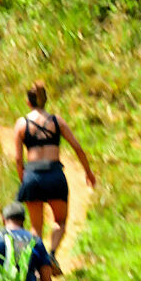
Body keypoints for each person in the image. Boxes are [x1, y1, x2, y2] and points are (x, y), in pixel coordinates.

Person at [8, 81, 98, 256]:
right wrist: (88, 172)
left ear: (28, 102)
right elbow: (77, 148)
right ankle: (52, 254)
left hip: (32, 175)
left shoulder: (21, 124)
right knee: (60, 221)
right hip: (54, 175)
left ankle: (36, 264)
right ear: (45, 100)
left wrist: (23, 180)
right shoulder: (57, 121)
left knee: (35, 227)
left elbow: (18, 160)